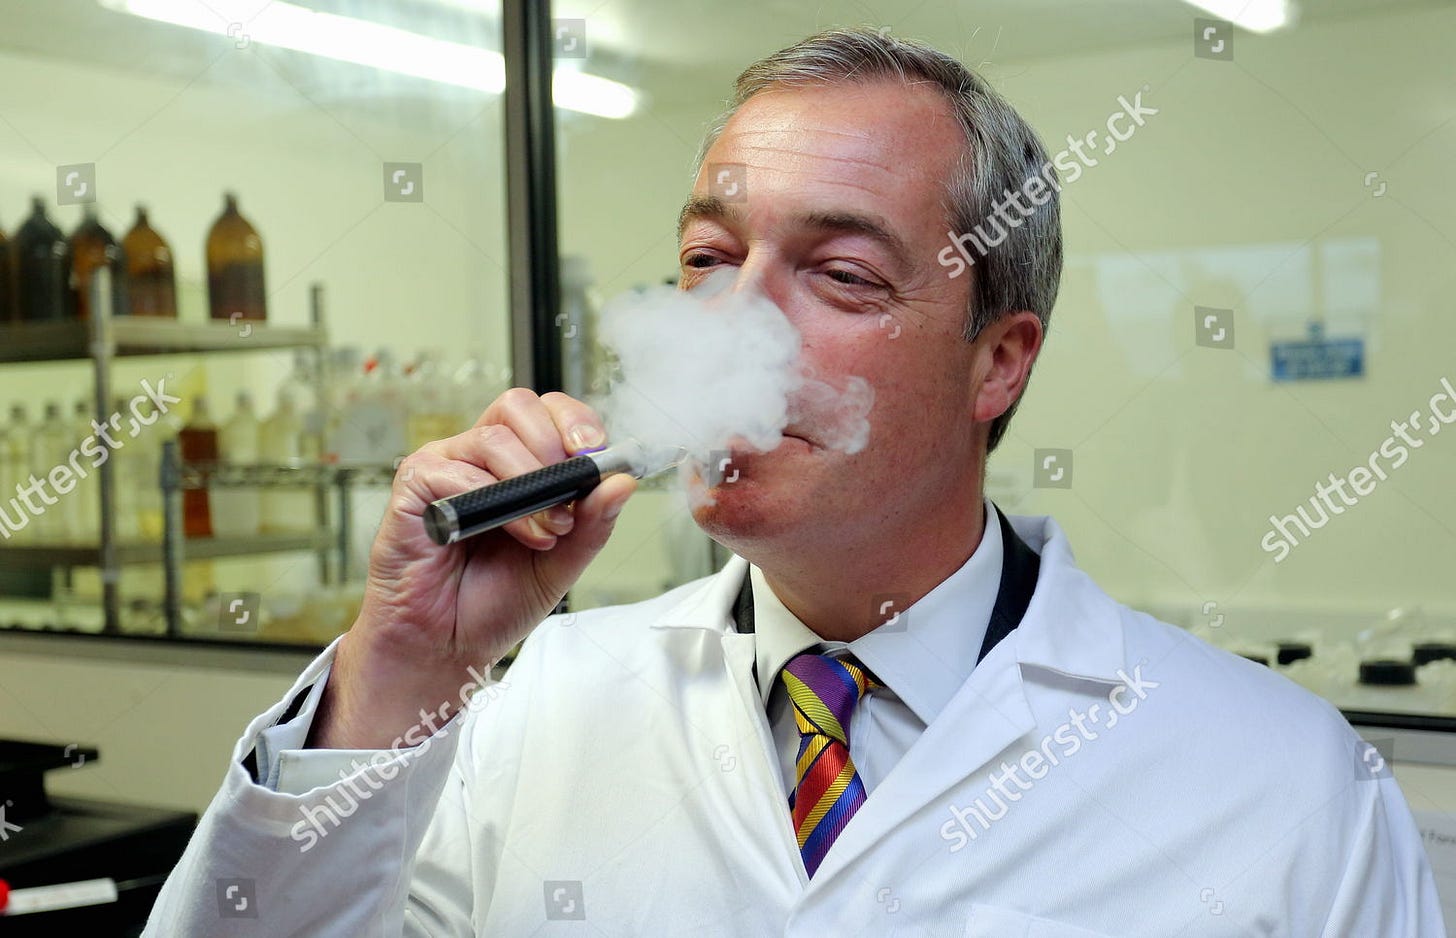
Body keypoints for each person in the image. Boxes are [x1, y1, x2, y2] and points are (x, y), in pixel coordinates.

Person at [144, 28, 1444, 936]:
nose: (736, 330)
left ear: (998, 362)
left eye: (842, 275)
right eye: (711, 260)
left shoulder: (1282, 787)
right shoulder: (534, 706)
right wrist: (400, 670)